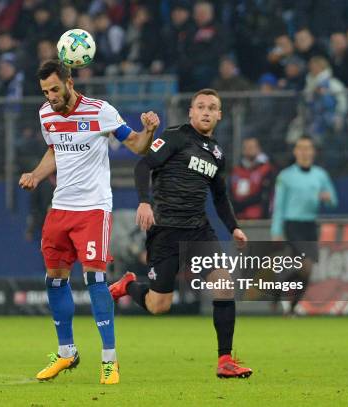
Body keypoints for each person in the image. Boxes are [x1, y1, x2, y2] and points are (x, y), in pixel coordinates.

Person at [19, 60, 159, 385]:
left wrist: (149, 130)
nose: (51, 96)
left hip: (93, 209)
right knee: (54, 279)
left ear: (69, 81)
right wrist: (37, 175)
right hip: (60, 208)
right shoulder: (46, 115)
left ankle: (109, 360)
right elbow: (54, 151)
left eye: (55, 88)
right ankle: (66, 352)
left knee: (95, 278)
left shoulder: (101, 111)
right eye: (45, 91)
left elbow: (137, 145)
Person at [109, 88, 253, 379]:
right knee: (158, 305)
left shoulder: (217, 154)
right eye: (201, 106)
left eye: (212, 107)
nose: (206, 111)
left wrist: (234, 227)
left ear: (219, 115)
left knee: (224, 283)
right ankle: (128, 285)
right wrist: (144, 202)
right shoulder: (175, 136)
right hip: (165, 231)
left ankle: (225, 359)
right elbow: (142, 165)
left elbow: (220, 197)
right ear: (191, 112)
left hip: (199, 231)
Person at [270, 135, 338, 314]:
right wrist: (276, 231)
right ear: (295, 151)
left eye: (308, 148)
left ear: (313, 152)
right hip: (292, 225)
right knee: (305, 265)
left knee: (306, 271)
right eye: (301, 148)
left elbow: (333, 200)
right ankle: (283, 296)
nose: (304, 152)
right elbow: (279, 206)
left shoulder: (320, 175)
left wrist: (327, 198)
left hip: (310, 225)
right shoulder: (286, 176)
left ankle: (287, 302)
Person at [230, 137, 275, 219]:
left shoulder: (266, 169)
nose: (248, 150)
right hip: (236, 217)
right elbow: (229, 191)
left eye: (251, 147)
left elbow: (265, 195)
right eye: (246, 147)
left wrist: (241, 204)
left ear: (258, 149)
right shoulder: (236, 170)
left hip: (257, 217)